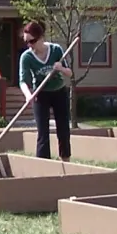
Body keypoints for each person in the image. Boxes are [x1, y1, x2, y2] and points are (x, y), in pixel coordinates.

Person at [18, 21, 73, 160]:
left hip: (59, 92)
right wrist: (28, 95)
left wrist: (60, 68)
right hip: (40, 94)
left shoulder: (56, 50)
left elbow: (69, 73)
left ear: (41, 38)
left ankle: (65, 160)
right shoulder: (27, 57)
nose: (29, 45)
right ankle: (43, 163)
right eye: (26, 42)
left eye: (32, 41)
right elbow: (23, 81)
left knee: (63, 129)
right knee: (43, 132)